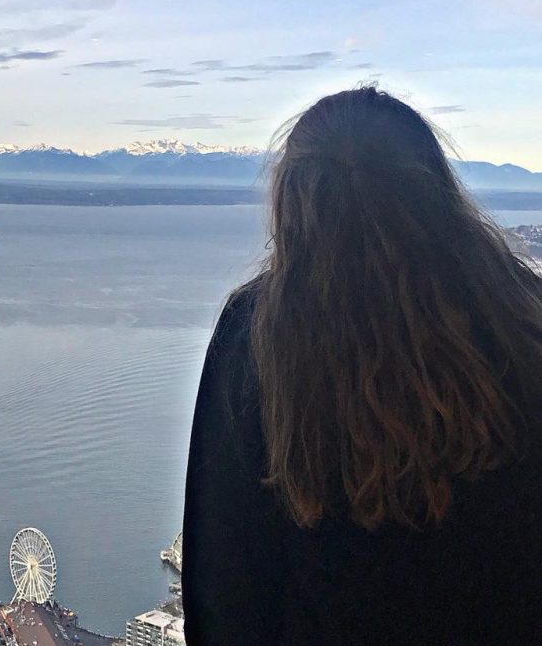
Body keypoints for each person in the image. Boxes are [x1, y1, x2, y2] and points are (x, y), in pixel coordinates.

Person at [182, 87, 542, 645]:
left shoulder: (254, 337)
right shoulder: (524, 318)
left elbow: (224, 581)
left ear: (293, 205)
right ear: (437, 189)